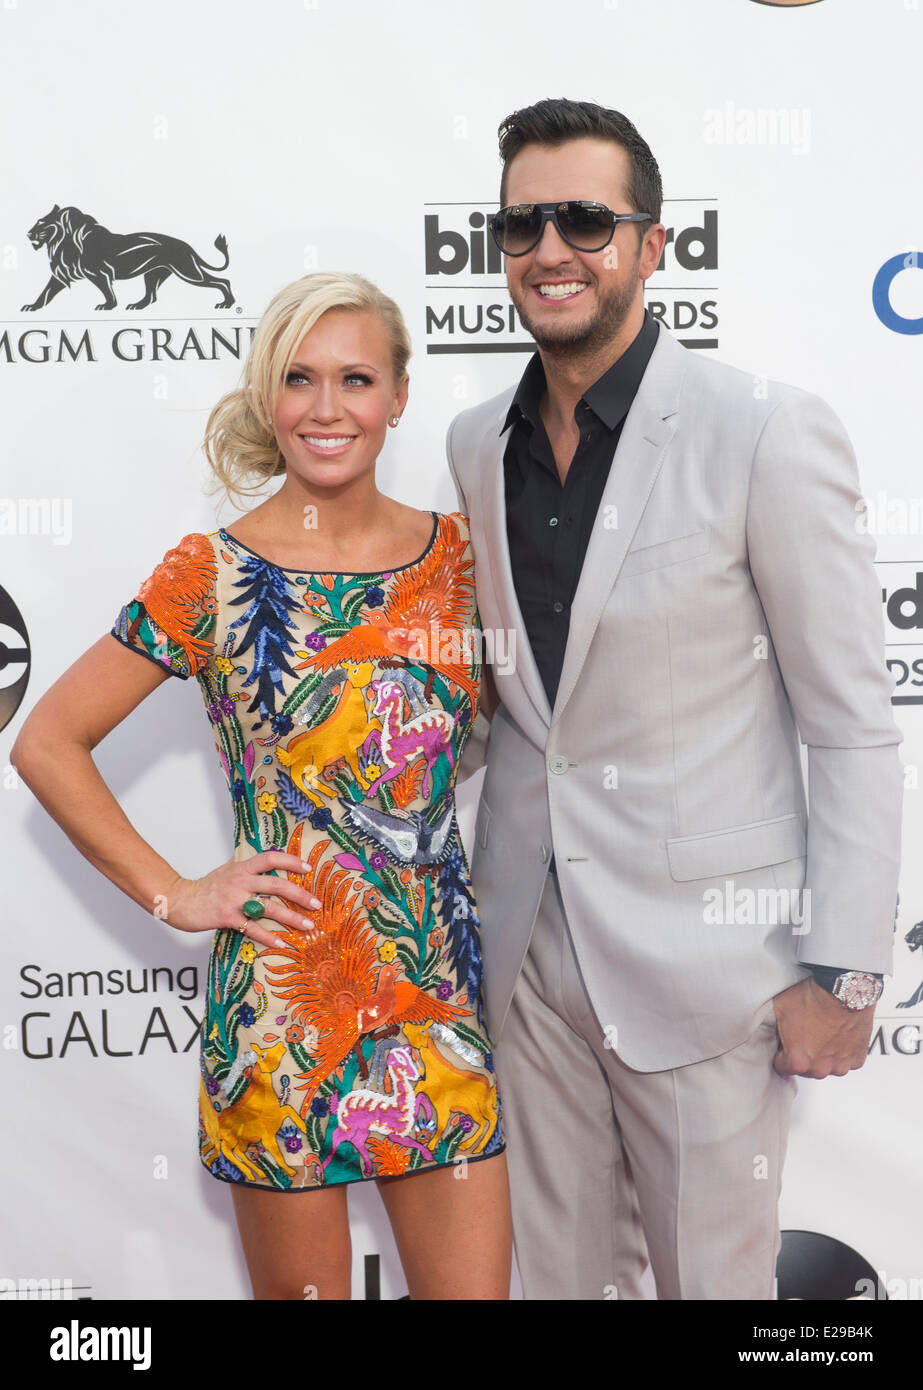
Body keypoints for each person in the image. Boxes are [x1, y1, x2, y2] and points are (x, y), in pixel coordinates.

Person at [446, 98, 902, 1300]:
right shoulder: (468, 443)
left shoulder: (760, 430)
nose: (550, 248)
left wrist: (843, 972)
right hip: (528, 960)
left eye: (585, 220)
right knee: (551, 1285)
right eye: (522, 224)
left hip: (712, 968)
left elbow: (849, 720)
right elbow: (517, 707)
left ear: (652, 244)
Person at [11, 271, 511, 1301]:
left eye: (356, 378)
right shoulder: (212, 573)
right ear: (265, 397)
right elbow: (47, 740)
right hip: (280, 1011)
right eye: (299, 379)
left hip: (437, 1006)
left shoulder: (462, 561)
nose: (327, 409)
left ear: (399, 396)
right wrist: (178, 892)